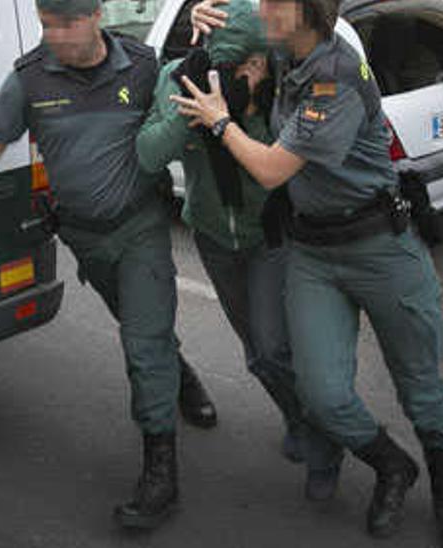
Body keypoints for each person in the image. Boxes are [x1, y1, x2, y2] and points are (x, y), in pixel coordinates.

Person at [169, 0, 443, 546]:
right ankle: (391, 465)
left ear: (309, 11)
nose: (262, 8)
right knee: (321, 393)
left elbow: (269, 170)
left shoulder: (333, 73)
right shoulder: (287, 49)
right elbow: (233, 33)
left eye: (273, 3)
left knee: (420, 388)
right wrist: (202, 20)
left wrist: (219, 122)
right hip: (313, 251)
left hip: (380, 246)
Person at [0, 0, 222, 529]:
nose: (57, 36)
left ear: (95, 16)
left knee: (142, 344)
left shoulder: (140, 65)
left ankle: (161, 474)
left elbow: (191, 83)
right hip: (85, 240)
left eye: (67, 23)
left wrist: (199, 25)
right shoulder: (30, 78)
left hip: (139, 231)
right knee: (145, 332)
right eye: (47, 24)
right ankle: (182, 380)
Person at [137, 0, 344, 502]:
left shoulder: (281, 81)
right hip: (214, 236)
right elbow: (147, 155)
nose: (233, 75)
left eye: (246, 65)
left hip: (270, 236)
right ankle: (299, 419)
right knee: (258, 355)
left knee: (276, 347)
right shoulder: (179, 78)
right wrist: (192, 116)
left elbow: (282, 164)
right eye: (225, 67)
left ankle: (325, 447)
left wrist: (240, 114)